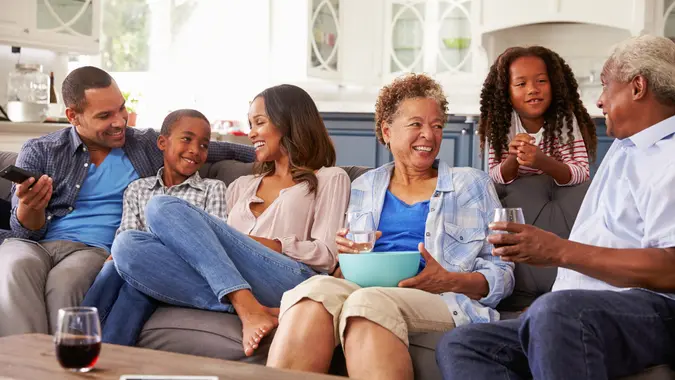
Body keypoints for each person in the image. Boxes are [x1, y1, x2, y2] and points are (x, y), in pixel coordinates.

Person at [436, 35, 675, 380]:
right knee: (463, 344)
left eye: (607, 86)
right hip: (588, 310)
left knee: (557, 313)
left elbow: (669, 269)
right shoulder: (626, 149)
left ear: (637, 87)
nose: (600, 100)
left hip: (655, 309)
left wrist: (558, 252)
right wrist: (562, 297)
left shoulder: (668, 157)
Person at [266, 74, 515, 380]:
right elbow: (350, 266)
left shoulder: (471, 184)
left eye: (437, 126)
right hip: (366, 288)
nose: (430, 135)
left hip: (443, 299)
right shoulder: (365, 186)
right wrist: (349, 259)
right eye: (416, 124)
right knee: (312, 293)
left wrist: (449, 280)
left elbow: (502, 273)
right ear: (387, 130)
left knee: (367, 302)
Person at [0, 66, 255, 337]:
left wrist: (286, 155)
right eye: (105, 116)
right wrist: (31, 207)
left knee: (65, 282)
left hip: (93, 249)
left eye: (121, 109)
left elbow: (216, 148)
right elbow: (25, 231)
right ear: (73, 116)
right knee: (13, 267)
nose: (120, 121)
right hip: (36, 243)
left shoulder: (144, 144)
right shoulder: (40, 150)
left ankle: (61, 364)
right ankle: (27, 366)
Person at [111, 84, 350, 356]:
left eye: (259, 122)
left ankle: (246, 306)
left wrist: (259, 243)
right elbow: (212, 253)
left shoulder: (329, 178)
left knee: (162, 207)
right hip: (240, 278)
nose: (251, 133)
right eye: (250, 124)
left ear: (289, 123)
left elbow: (327, 255)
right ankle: (246, 306)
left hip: (292, 278)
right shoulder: (240, 185)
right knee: (127, 246)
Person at [81, 109, 227, 346]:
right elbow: (126, 237)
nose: (195, 150)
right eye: (187, 139)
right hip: (136, 264)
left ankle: (105, 358)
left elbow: (215, 245)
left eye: (204, 145)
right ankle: (77, 346)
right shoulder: (138, 189)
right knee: (112, 271)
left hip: (184, 271)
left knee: (136, 287)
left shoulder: (214, 189)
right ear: (162, 142)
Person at [480, 46, 597, 186]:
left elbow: (582, 173)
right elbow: (495, 177)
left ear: (554, 84)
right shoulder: (502, 122)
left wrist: (542, 161)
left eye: (541, 81)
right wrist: (513, 157)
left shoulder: (563, 119)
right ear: (506, 93)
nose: (533, 90)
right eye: (521, 84)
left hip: (558, 199)